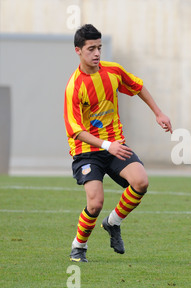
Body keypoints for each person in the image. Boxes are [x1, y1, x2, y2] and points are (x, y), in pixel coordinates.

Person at [64, 24, 172, 262]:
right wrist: (105, 145)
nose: (97, 53)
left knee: (141, 181)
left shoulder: (112, 71)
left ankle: (113, 223)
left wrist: (158, 113)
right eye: (91, 48)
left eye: (99, 47)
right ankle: (79, 246)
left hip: (115, 145)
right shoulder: (74, 87)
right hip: (87, 152)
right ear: (78, 51)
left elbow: (138, 86)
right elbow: (76, 131)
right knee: (95, 202)